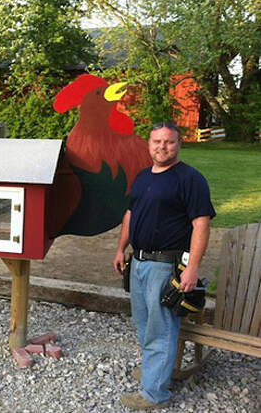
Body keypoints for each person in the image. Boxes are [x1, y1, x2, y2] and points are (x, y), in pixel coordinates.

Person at [113, 122, 215, 410]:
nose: (162, 147)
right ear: (149, 144)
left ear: (179, 144)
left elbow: (201, 224)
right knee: (144, 324)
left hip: (166, 264)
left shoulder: (190, 179)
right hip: (139, 261)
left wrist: (193, 268)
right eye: (157, 141)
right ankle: (154, 373)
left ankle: (154, 393)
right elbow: (131, 215)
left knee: (162, 327)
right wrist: (121, 248)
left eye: (168, 142)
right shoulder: (143, 176)